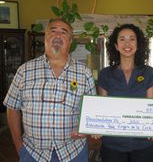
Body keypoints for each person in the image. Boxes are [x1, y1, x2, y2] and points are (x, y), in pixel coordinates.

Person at [3, 18, 96, 162]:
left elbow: (91, 111)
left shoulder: (84, 73)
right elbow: (12, 107)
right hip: (32, 153)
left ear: (70, 41)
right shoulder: (24, 70)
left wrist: (84, 129)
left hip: (74, 153)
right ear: (46, 37)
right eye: (53, 31)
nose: (58, 36)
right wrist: (19, 147)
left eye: (63, 32)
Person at [98, 24, 153, 162]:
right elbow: (102, 108)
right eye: (122, 39)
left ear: (138, 44)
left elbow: (151, 107)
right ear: (116, 45)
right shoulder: (106, 74)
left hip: (143, 143)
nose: (127, 43)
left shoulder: (148, 72)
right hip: (112, 144)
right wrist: (96, 127)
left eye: (132, 39)